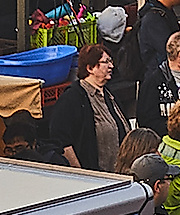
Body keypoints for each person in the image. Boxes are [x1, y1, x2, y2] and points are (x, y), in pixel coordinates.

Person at [46, 43, 128, 172]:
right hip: (93, 178)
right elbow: (62, 141)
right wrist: (80, 173)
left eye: (111, 61)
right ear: (90, 68)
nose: (111, 66)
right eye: (106, 62)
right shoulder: (73, 98)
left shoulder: (109, 95)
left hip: (117, 175)